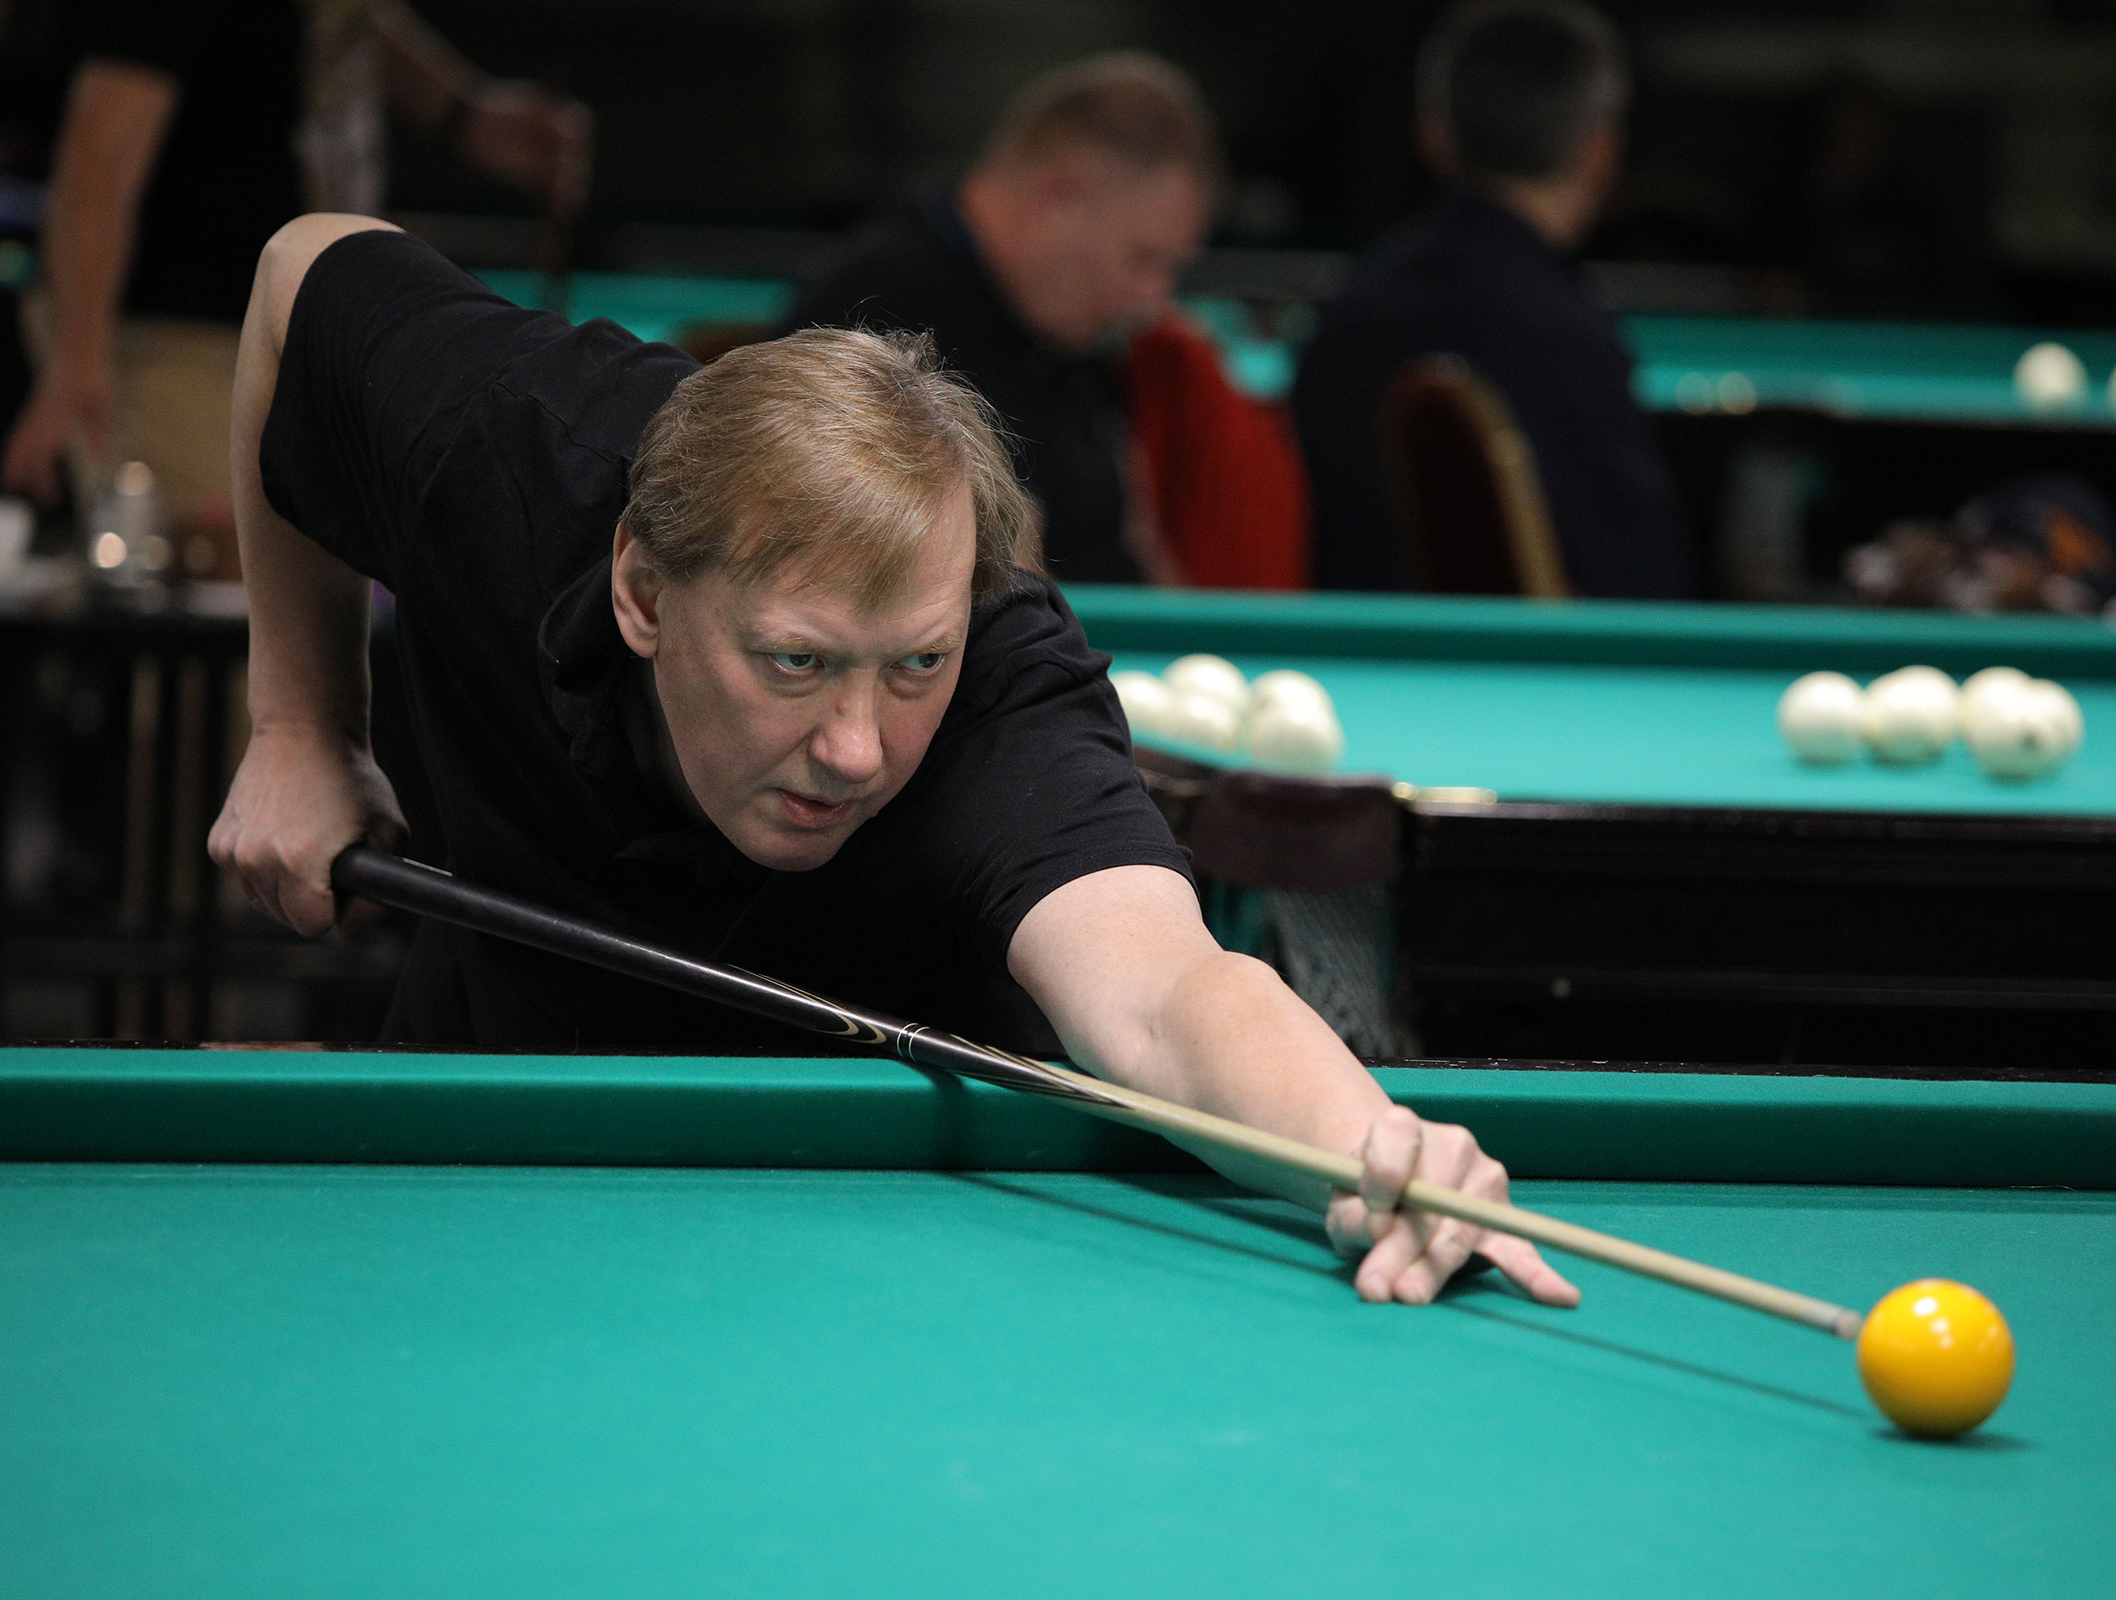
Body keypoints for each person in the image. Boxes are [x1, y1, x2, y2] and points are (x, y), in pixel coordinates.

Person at [208, 210, 1582, 1312]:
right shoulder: (513, 444)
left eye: (912, 663)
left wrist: (1367, 1143)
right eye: (794, 662)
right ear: (641, 588)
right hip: (481, 1162)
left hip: (897, 1255)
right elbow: (297, 272)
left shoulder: (1004, 696)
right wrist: (300, 725)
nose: (857, 749)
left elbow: (1168, 994)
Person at [0, 0, 587, 573]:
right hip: (175, 345)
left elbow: (347, 17)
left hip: (286, 339)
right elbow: (99, 155)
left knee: (298, 594)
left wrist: (463, 112)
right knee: (218, 595)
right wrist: (77, 361)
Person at [787, 51, 1306, 589]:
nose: (1153, 298)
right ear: (1057, 197)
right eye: (1143, 258)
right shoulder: (872, 316)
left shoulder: (1069, 332)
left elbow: (1129, 541)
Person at [1293, 0, 1693, 597]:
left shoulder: (1342, 313)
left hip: (1340, 656)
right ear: (1600, 151)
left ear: (1434, 139)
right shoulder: (1574, 340)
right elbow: (1646, 596)